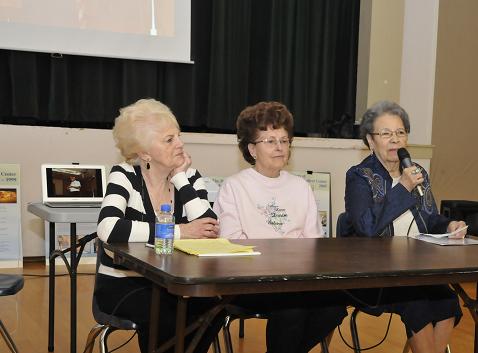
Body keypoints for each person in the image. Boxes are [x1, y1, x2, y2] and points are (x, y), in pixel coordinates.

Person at [214, 101, 347, 353]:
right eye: (270, 141)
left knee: (334, 306)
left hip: (295, 278)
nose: (279, 148)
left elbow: (314, 242)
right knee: (292, 308)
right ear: (252, 149)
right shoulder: (235, 186)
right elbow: (232, 243)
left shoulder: (300, 186)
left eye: (284, 141)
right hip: (250, 281)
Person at [95, 98, 221, 353]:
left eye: (178, 136)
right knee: (163, 312)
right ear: (144, 153)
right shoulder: (125, 175)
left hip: (175, 281)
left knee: (215, 308)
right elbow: (108, 228)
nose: (180, 144)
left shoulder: (190, 177)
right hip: (126, 284)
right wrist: (180, 232)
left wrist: (181, 179)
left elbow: (209, 230)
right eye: (169, 139)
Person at [344, 100, 464, 353]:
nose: (394, 140)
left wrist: (450, 225)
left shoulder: (416, 171)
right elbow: (366, 228)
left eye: (400, 133)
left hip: (416, 269)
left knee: (448, 301)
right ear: (370, 140)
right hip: (375, 274)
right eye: (385, 134)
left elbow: (431, 219)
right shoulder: (359, 176)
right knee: (417, 302)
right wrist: (403, 189)